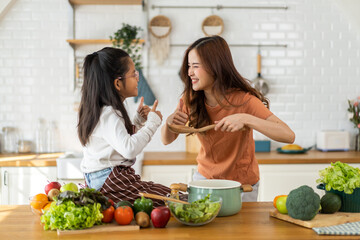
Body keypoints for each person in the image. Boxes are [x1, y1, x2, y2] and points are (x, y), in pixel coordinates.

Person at [161, 36, 295, 202]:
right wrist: (169, 123)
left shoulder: (244, 100)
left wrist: (246, 119)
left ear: (215, 67)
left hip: (242, 185)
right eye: (189, 66)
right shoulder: (192, 99)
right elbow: (167, 140)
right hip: (205, 180)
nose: (189, 72)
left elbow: (288, 135)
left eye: (195, 66)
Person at [77, 47, 170, 206]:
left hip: (103, 180)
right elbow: (129, 148)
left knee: (164, 195)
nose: (137, 78)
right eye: (134, 74)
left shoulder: (102, 111)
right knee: (171, 199)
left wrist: (138, 122)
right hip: (111, 182)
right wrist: (152, 123)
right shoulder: (108, 114)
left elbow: (117, 142)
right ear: (118, 83)